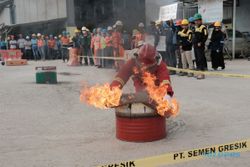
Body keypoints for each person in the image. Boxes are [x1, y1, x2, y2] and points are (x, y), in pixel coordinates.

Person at [110, 44, 174, 116]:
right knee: (141, 98)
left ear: (156, 60)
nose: (145, 70)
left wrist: (167, 96)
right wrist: (112, 90)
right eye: (143, 66)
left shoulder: (161, 65)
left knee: (158, 103)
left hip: (156, 86)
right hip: (139, 83)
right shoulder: (132, 62)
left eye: (149, 68)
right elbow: (121, 77)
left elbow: (165, 82)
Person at [193, 13, 208, 79]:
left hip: (200, 46)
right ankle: (198, 72)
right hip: (196, 46)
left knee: (200, 59)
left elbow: (205, 36)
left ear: (200, 20)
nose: (196, 22)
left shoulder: (203, 27)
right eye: (195, 20)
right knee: (197, 59)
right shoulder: (196, 27)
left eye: (197, 20)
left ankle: (202, 74)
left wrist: (201, 43)